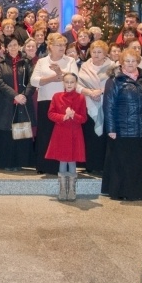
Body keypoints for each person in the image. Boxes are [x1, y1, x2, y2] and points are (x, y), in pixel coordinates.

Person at [102, 48, 142, 200]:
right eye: (127, 61)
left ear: (138, 62)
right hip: (121, 129)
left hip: (140, 129)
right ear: (121, 62)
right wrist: (111, 128)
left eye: (133, 61)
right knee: (121, 163)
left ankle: (137, 193)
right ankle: (121, 192)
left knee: (137, 163)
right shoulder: (114, 80)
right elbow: (108, 105)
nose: (130, 64)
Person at [31, 33, 78, 175]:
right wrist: (53, 77)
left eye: (64, 45)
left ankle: (61, 165)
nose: (62, 47)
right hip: (46, 100)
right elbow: (34, 81)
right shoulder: (42, 61)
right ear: (50, 46)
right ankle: (45, 166)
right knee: (45, 133)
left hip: (65, 102)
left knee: (62, 135)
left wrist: (60, 72)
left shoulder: (70, 61)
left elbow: (74, 79)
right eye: (59, 45)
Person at [0, 37, 35, 171]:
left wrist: (24, 95)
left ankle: (20, 162)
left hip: (23, 102)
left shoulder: (26, 62)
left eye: (15, 45)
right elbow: (0, 82)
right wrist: (15, 95)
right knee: (7, 134)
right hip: (7, 102)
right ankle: (7, 163)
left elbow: (32, 81)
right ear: (6, 48)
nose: (13, 47)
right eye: (10, 45)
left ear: (19, 46)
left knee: (21, 132)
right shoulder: (1, 63)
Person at [46, 73, 87, 201]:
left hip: (75, 133)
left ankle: (72, 189)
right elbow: (51, 114)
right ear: (63, 83)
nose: (69, 84)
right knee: (63, 160)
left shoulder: (80, 98)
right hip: (61, 132)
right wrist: (63, 117)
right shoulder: (57, 96)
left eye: (72, 82)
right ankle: (63, 189)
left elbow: (84, 118)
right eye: (67, 82)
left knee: (72, 160)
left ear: (76, 83)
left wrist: (74, 115)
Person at [76, 40, 114, 174]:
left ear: (105, 53)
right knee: (90, 136)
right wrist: (90, 92)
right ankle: (91, 165)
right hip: (88, 103)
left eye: (100, 52)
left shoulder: (113, 67)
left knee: (105, 136)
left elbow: (115, 84)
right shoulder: (85, 66)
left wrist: (101, 91)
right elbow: (77, 85)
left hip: (107, 105)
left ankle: (104, 166)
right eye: (94, 52)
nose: (96, 54)